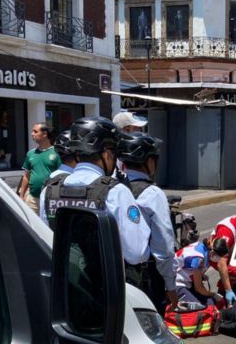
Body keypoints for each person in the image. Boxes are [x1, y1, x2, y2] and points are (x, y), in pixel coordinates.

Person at [39, 116, 152, 283]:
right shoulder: (116, 191)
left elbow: (45, 240)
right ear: (106, 154)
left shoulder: (49, 189)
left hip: (62, 287)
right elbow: (137, 253)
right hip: (104, 289)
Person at [117, 131, 179, 315]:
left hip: (113, 271)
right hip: (145, 277)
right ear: (149, 161)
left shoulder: (111, 188)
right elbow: (163, 246)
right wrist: (170, 285)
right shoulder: (152, 193)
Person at [19, 124, 61, 214]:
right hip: (32, 199)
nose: (32, 134)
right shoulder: (30, 153)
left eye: (35, 131)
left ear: (45, 134)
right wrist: (21, 195)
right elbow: (26, 176)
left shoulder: (57, 153)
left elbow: (63, 176)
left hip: (51, 199)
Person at [174, 239, 225, 307]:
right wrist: (213, 294)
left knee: (210, 303)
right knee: (199, 307)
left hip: (187, 281)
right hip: (176, 283)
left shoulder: (203, 247)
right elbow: (198, 288)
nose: (219, 259)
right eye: (219, 256)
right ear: (213, 253)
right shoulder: (198, 259)